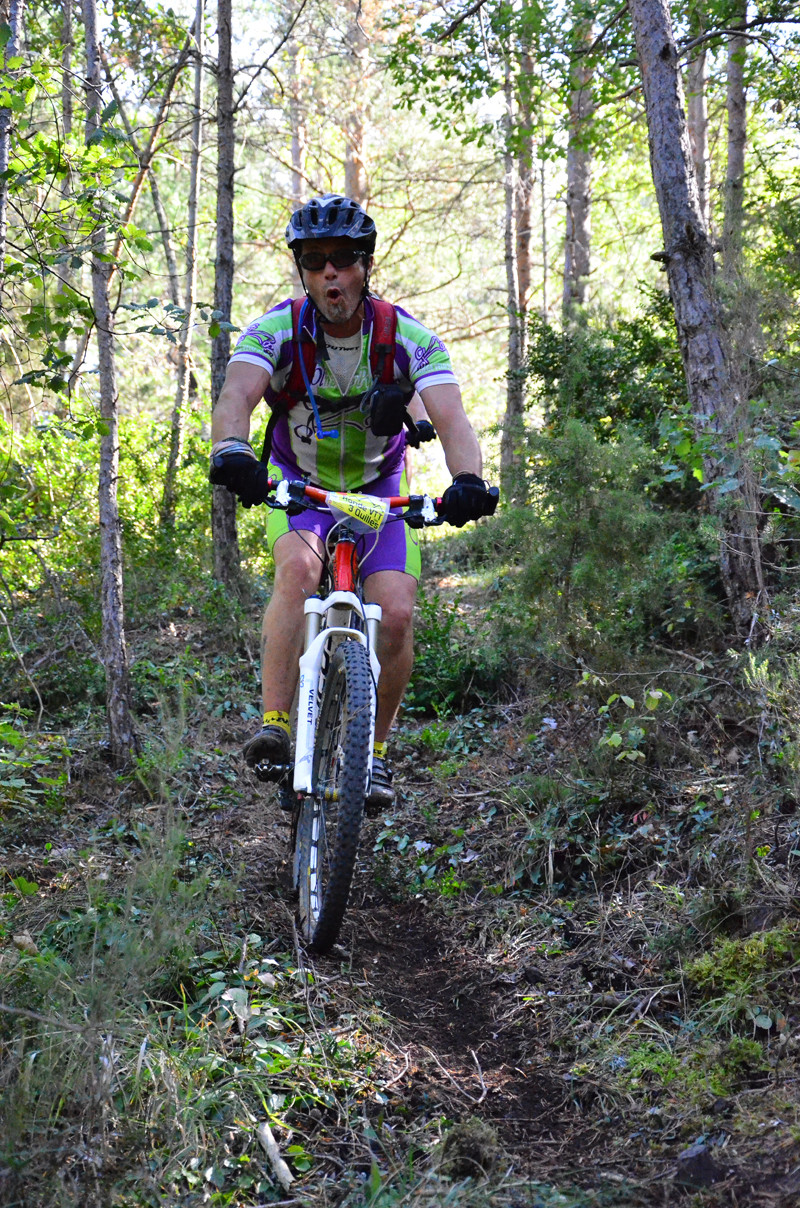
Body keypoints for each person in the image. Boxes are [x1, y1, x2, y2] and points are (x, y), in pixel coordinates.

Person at [210, 193, 490, 807]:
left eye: (342, 259)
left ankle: (376, 752)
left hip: (380, 490)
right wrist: (231, 449)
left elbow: (452, 418)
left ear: (365, 264)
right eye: (314, 262)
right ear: (302, 271)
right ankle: (275, 725)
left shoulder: (406, 336)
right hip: (300, 484)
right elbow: (236, 395)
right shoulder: (277, 330)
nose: (329, 273)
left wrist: (467, 478)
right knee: (297, 570)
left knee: (397, 611)